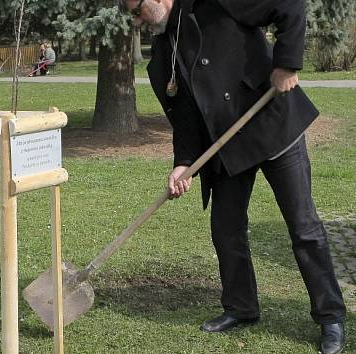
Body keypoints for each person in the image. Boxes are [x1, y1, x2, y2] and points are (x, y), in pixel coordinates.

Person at [124, 0, 346, 353]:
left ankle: (331, 315)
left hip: (272, 125)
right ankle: (241, 307)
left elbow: (288, 5)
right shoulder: (164, 52)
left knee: (303, 226)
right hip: (227, 147)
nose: (135, 20)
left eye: (135, 9)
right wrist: (183, 162)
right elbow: (184, 118)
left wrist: (286, 63)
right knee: (226, 229)